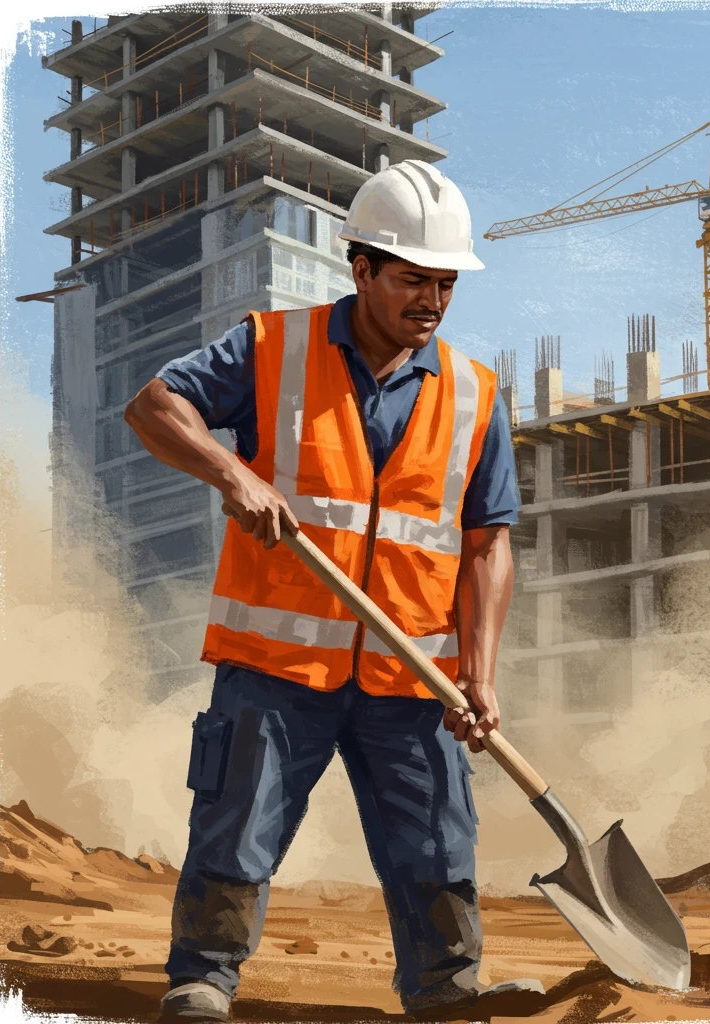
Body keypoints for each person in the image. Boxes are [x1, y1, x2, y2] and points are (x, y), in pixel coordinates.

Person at [124, 160, 543, 1024]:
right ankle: (204, 979)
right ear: (361, 269)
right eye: (413, 279)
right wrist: (234, 474)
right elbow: (154, 407)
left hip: (411, 674)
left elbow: (487, 544)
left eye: (446, 283)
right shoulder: (273, 349)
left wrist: (479, 673)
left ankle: (445, 989)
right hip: (277, 664)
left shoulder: (475, 394)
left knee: (437, 837)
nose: (432, 300)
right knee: (238, 822)